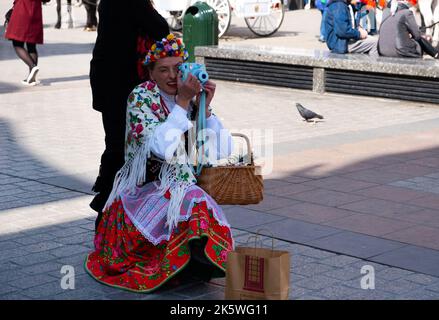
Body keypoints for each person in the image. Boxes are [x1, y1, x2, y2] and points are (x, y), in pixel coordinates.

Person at [84, 34, 234, 292]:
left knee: (192, 197)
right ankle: (181, 262)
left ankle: (194, 263)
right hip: (142, 193)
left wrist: (205, 110)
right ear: (151, 74)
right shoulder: (141, 96)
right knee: (193, 198)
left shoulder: (192, 99)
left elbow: (221, 150)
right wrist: (184, 102)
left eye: (178, 68)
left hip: (177, 190)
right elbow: (161, 149)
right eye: (163, 70)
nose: (173, 76)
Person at [89, 0, 170, 231]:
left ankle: (113, 218)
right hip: (119, 86)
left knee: (119, 149)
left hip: (110, 82)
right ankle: (106, 217)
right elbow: (160, 28)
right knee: (121, 152)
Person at [4, 0, 49, 85]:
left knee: (17, 43)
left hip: (23, 8)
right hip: (36, 11)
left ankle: (32, 67)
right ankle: (31, 78)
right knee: (31, 44)